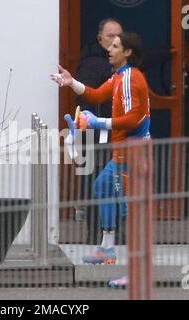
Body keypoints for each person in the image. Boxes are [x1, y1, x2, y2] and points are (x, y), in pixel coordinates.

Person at [51, 32, 151, 268]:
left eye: (115, 46)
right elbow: (95, 94)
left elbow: (134, 119)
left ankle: (135, 268)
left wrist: (98, 122)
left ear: (127, 53)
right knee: (105, 188)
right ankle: (107, 249)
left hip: (132, 151)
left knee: (128, 206)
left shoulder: (130, 79)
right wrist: (71, 82)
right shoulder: (119, 76)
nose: (110, 49)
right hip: (124, 150)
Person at [74, 19, 123, 246]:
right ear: (100, 38)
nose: (115, 40)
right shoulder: (92, 64)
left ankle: (116, 236)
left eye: (119, 36)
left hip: (117, 135)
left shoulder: (122, 63)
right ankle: (96, 236)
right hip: (96, 138)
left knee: (117, 186)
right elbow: (85, 96)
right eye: (110, 35)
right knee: (97, 188)